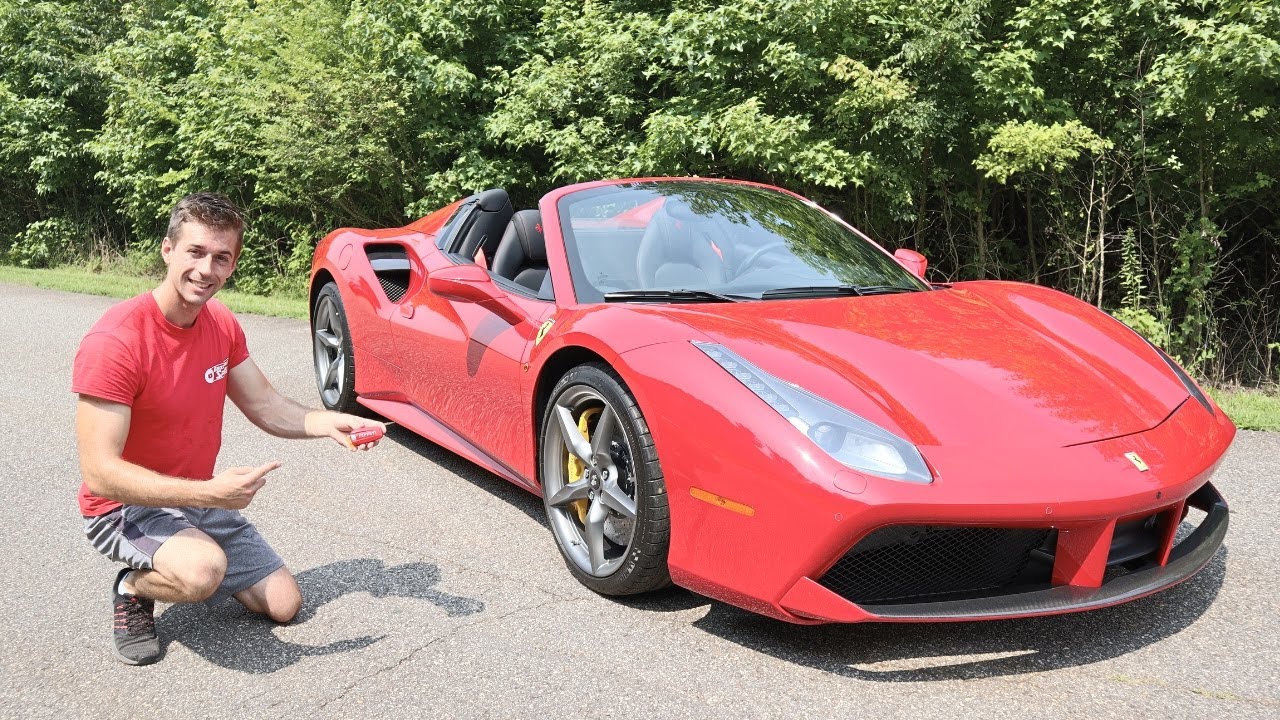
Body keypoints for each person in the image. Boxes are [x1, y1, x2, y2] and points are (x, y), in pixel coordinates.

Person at [73, 192, 384, 666]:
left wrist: (328, 422)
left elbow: (265, 404)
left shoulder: (219, 322)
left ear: (233, 264)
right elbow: (100, 474)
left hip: (198, 495)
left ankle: (187, 555)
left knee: (283, 605)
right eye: (195, 252)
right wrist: (210, 494)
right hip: (124, 506)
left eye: (221, 258)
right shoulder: (116, 342)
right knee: (203, 572)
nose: (206, 269)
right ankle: (134, 587)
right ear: (167, 250)